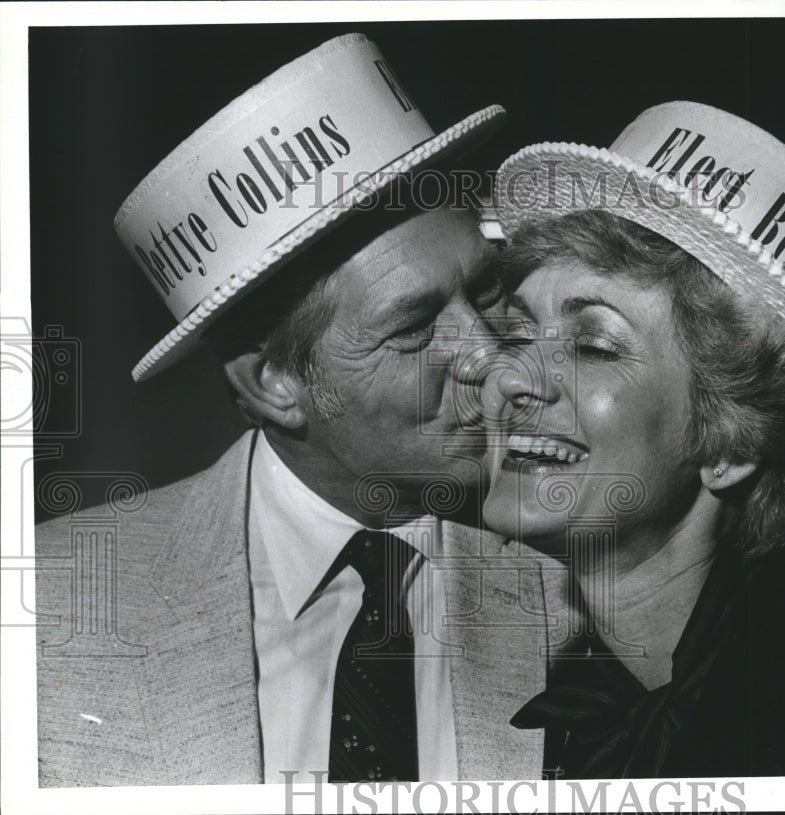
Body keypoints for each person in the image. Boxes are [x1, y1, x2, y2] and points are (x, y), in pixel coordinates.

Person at [33, 33, 573, 786]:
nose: (489, 354)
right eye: (415, 328)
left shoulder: (591, 572)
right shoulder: (43, 610)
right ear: (273, 385)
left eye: (486, 292)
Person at [478, 102, 785, 776]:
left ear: (729, 443)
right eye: (516, 334)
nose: (513, 376)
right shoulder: (559, 704)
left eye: (594, 344)